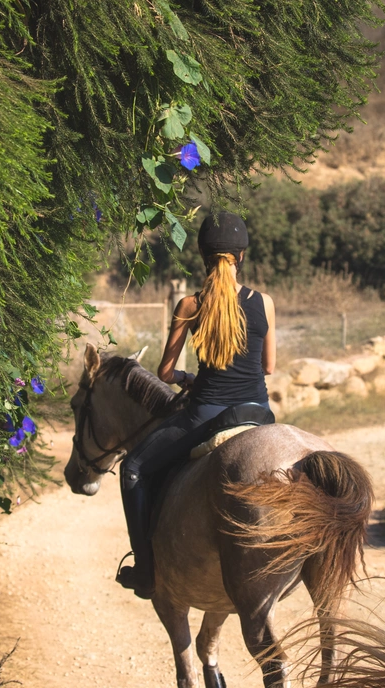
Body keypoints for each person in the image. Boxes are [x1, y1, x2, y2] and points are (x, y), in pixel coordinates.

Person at [116, 211, 277, 599]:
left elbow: (166, 371)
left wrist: (189, 379)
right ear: (241, 257)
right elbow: (268, 367)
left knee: (133, 468)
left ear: (204, 256)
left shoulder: (191, 305)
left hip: (207, 414)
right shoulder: (265, 302)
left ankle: (146, 570)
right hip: (259, 412)